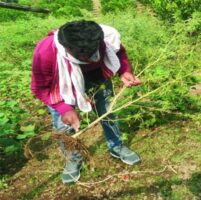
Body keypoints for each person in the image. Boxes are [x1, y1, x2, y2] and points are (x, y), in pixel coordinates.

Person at [31, 20, 142, 184]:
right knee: (63, 126)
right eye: (85, 56)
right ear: (68, 49)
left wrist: (124, 71)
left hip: (96, 77)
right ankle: (73, 159)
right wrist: (64, 108)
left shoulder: (105, 37)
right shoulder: (46, 52)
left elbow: (118, 52)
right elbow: (40, 88)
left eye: (94, 53)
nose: (91, 58)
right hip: (61, 84)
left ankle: (116, 146)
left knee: (108, 111)